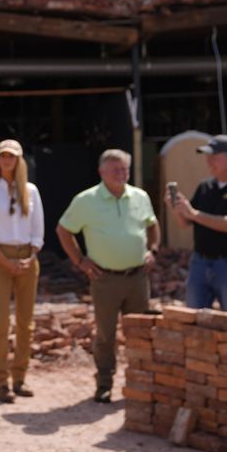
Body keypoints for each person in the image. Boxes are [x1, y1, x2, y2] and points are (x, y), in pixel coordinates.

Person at [56, 149, 159, 403]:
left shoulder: (140, 196)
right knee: (106, 335)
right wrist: (79, 260)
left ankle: (140, 383)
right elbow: (63, 230)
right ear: (101, 172)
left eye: (124, 169)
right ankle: (104, 384)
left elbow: (152, 223)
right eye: (115, 169)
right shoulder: (86, 200)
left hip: (137, 277)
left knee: (140, 331)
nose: (121, 174)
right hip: (105, 279)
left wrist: (153, 250)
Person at [0, 139, 44, 403]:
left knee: (26, 323)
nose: (7, 160)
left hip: (28, 258)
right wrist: (6, 262)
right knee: (2, 322)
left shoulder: (31, 191)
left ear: (19, 160)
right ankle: (1, 382)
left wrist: (31, 256)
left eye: (12, 156)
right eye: (3, 156)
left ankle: (20, 378)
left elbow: (39, 230)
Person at [165, 134, 227, 312]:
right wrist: (176, 208)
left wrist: (193, 213)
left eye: (214, 157)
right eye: (207, 156)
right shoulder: (205, 186)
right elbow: (185, 222)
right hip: (200, 263)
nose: (208, 161)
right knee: (194, 321)